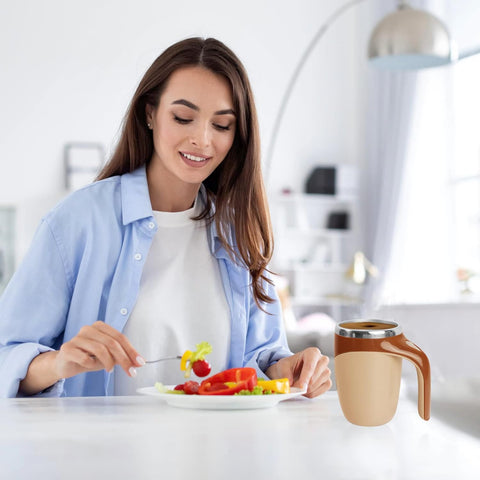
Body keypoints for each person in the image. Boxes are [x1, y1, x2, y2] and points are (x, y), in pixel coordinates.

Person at [0, 37, 331, 398]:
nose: (202, 140)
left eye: (221, 125)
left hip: (225, 452)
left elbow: (262, 356)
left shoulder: (238, 232)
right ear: (149, 114)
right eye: (183, 118)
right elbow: (7, 357)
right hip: (99, 454)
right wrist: (60, 363)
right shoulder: (77, 222)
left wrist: (290, 369)